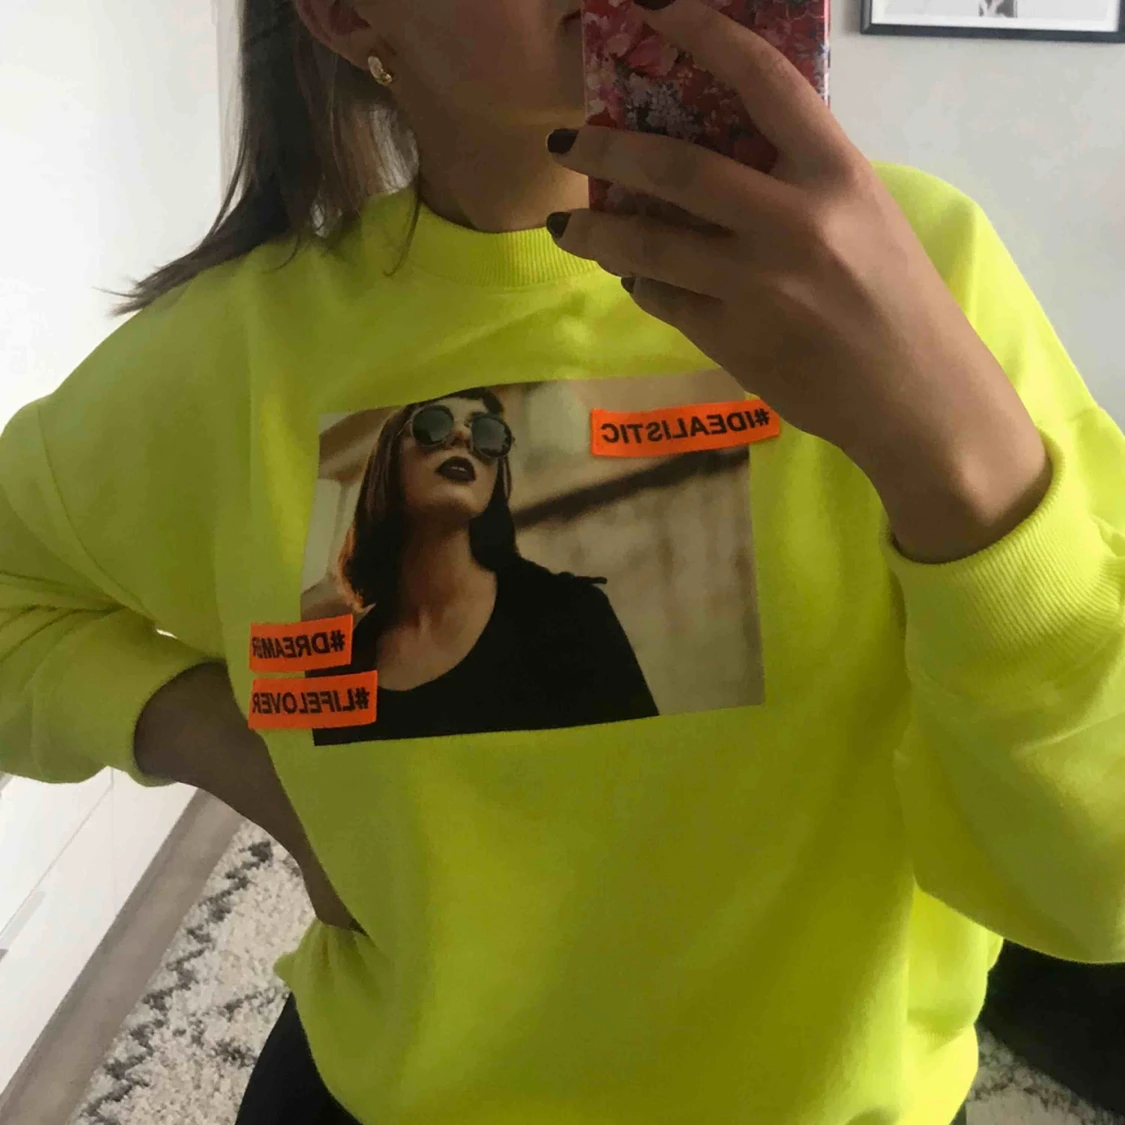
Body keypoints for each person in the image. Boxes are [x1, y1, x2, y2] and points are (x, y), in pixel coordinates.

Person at [0, 0, 1122, 1124]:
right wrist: (238, 757)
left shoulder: (913, 274)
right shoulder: (234, 357)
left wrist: (955, 459)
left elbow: (1098, 892)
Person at [307, 388, 660, 742]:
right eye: (434, 424)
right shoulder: (334, 674)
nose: (463, 436)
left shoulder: (572, 616)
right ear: (388, 463)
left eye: (487, 433)